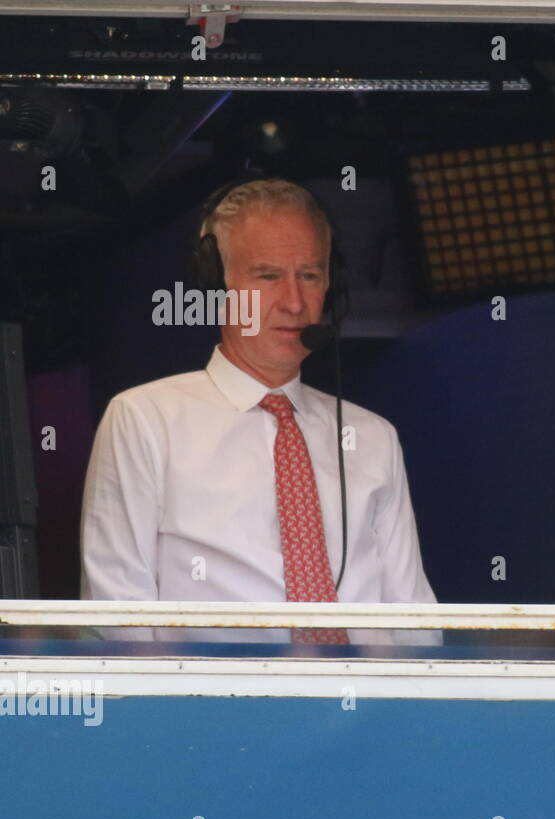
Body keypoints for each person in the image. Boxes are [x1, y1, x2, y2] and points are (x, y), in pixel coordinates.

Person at [80, 178, 437, 649]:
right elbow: (118, 616)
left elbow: (416, 622)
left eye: (309, 275)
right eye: (268, 276)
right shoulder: (144, 420)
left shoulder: (372, 436)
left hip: (367, 709)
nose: (294, 302)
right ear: (216, 284)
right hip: (216, 712)